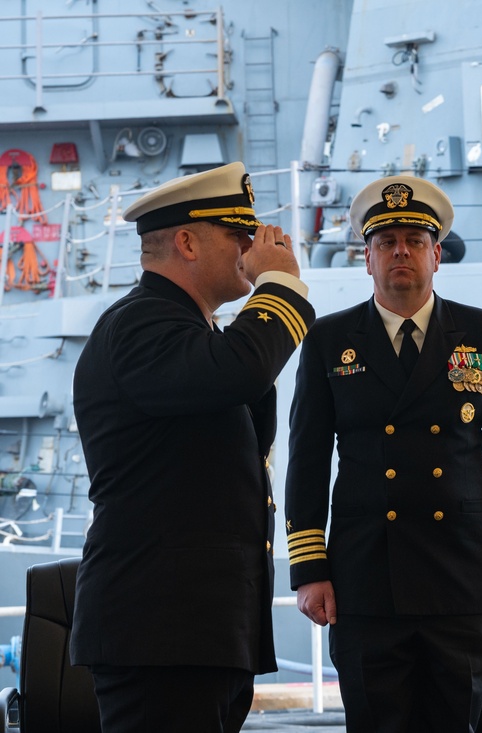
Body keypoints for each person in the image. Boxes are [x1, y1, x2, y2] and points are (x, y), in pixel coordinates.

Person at [284, 175, 482, 732]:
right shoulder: (329, 341)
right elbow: (305, 459)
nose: (401, 251)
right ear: (367, 259)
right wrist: (308, 569)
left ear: (436, 256)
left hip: (461, 577)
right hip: (366, 579)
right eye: (387, 241)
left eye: (415, 241)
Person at [70, 162, 316, 732]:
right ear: (186, 242)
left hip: (197, 632)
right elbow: (240, 371)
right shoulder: (140, 323)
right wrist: (279, 284)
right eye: (238, 235)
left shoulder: (190, 333)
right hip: (159, 633)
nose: (251, 247)